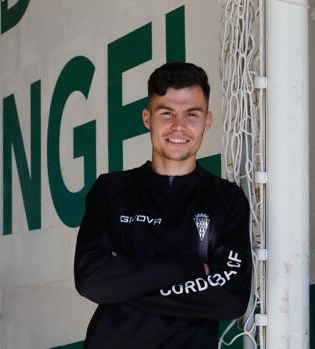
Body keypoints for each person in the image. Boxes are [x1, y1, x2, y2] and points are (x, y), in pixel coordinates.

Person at [74, 62, 252, 349]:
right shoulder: (111, 190)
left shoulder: (226, 199)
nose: (178, 126)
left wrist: (125, 283)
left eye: (191, 114)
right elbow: (91, 279)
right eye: (166, 113)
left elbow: (230, 298)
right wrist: (192, 269)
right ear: (147, 118)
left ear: (207, 120)